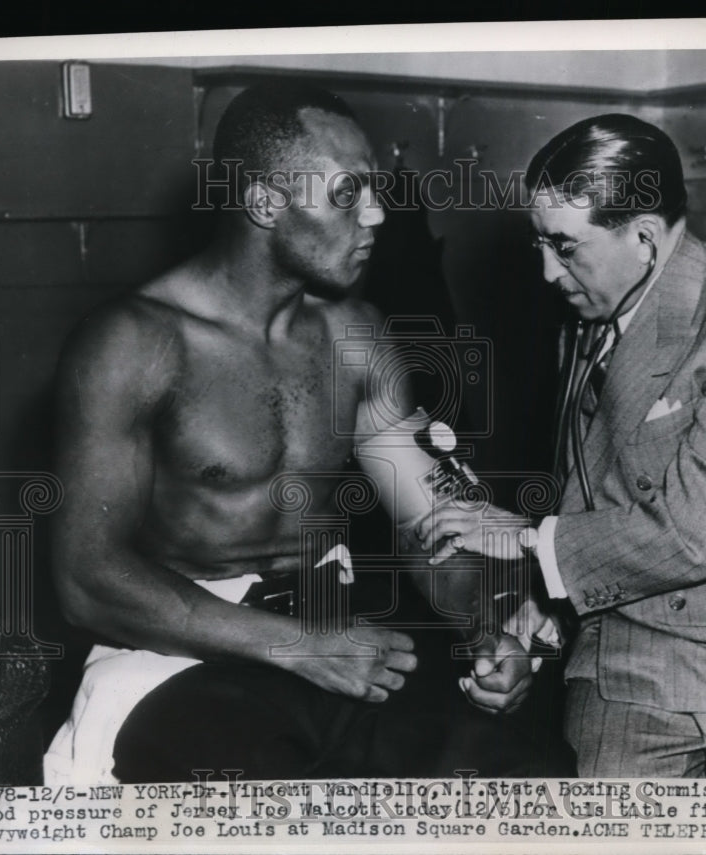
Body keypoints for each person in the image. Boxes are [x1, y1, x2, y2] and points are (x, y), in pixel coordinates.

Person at [43, 81, 559, 785]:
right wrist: (296, 645)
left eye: (373, 189)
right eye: (348, 194)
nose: (376, 214)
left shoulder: (357, 335)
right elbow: (85, 578)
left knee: (523, 771)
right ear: (263, 202)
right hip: (175, 654)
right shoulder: (134, 343)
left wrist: (492, 628)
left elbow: (434, 524)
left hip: (339, 640)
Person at [418, 113, 706, 778]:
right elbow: (588, 498)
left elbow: (694, 534)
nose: (546, 271)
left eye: (565, 247)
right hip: (632, 649)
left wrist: (518, 536)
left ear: (647, 238)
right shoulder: (588, 318)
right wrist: (529, 634)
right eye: (538, 243)